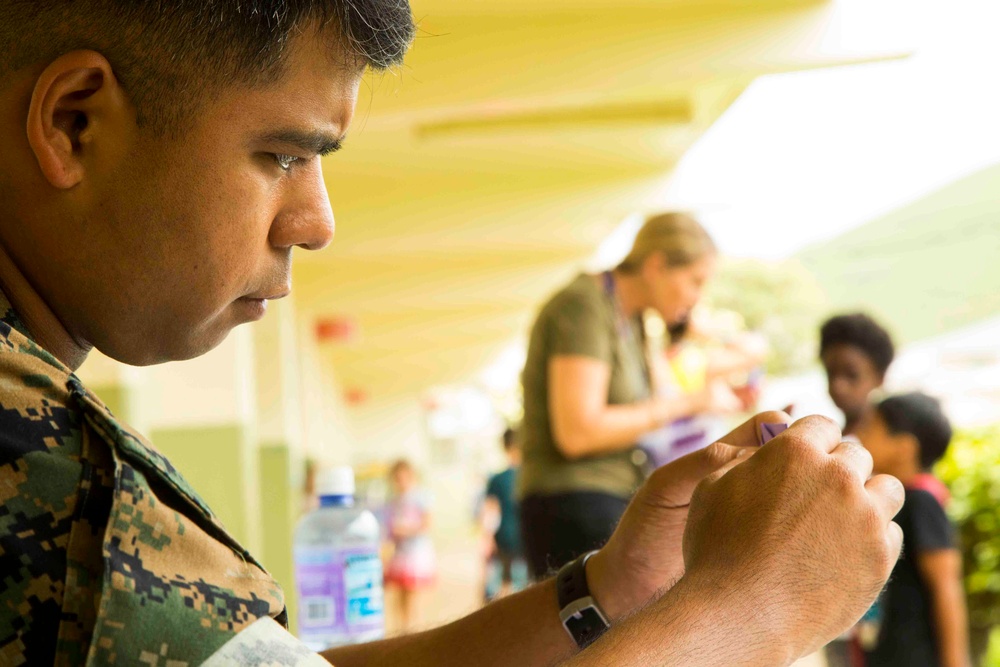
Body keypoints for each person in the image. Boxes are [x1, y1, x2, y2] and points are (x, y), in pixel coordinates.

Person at [0, 2, 906, 665]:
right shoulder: (29, 445)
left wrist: (611, 590)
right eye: (282, 153)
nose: (315, 222)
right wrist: (753, 606)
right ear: (73, 122)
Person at [519, 213, 735, 578]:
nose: (697, 297)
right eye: (694, 281)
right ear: (656, 265)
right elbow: (578, 432)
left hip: (611, 497)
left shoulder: (630, 318)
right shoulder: (584, 305)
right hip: (575, 504)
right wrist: (689, 403)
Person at [855, 393, 970, 667]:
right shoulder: (895, 500)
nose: (861, 435)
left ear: (903, 447)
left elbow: (946, 585)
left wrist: (955, 662)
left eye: (871, 428)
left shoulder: (921, 501)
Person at [820, 313, 896, 436]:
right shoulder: (832, 440)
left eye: (852, 375)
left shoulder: (896, 442)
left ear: (880, 378)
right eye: (831, 373)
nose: (837, 386)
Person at [384, 459, 436, 633]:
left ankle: (414, 632)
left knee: (413, 598)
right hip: (400, 555)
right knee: (398, 598)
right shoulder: (395, 500)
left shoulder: (421, 496)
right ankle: (402, 632)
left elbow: (427, 524)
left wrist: (405, 530)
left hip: (416, 555)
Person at [482, 428, 528, 602]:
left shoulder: (497, 479)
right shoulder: (530, 477)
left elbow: (490, 512)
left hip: (504, 536)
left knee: (505, 583)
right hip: (528, 536)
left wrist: (487, 538)